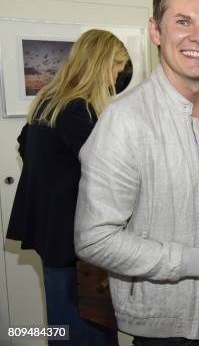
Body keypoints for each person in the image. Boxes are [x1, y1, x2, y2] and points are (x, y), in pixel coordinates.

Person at [74, 0, 199, 344]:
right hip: (168, 326)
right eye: (182, 21)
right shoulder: (125, 121)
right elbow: (93, 239)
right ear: (155, 31)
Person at [6, 29, 129, 345]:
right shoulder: (78, 109)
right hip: (71, 239)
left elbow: (25, 145)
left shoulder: (48, 101)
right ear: (102, 65)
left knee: (60, 322)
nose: (117, 75)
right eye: (117, 66)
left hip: (51, 234)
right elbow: (106, 170)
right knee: (85, 327)